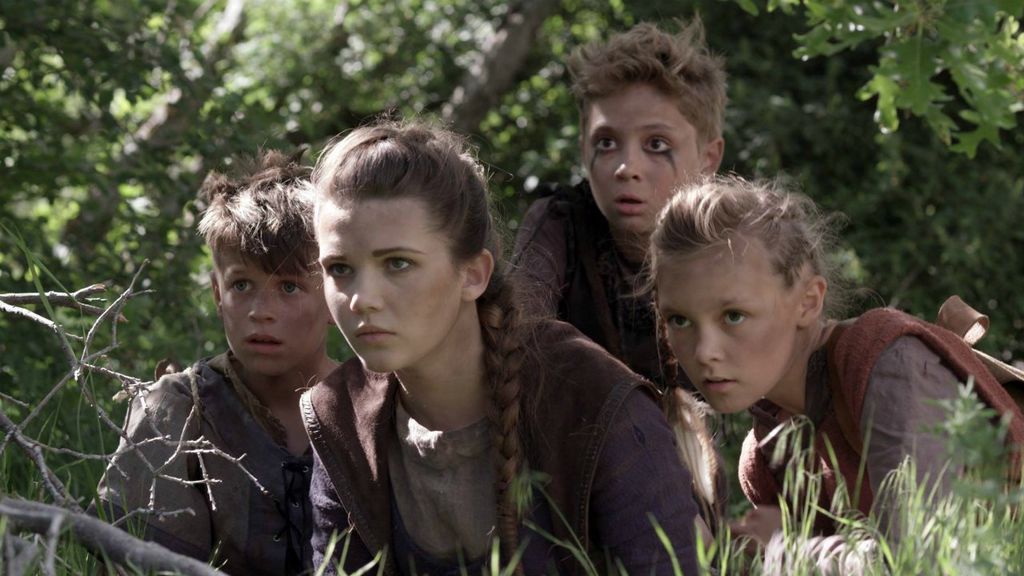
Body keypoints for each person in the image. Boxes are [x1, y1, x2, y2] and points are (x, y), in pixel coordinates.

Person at [303, 119, 720, 575]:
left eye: (397, 263)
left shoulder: (591, 401)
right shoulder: (339, 417)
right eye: (339, 269)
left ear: (473, 274)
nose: (362, 298)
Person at [648, 174, 1024, 550]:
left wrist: (783, 551)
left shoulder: (890, 367)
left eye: (733, 315)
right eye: (679, 320)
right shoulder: (766, 456)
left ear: (808, 301)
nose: (704, 352)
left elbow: (923, 558)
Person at [95, 150, 338, 575]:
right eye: (241, 284)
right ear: (216, 294)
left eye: (289, 287)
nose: (260, 311)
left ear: (336, 293)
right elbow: (136, 565)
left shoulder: (378, 404)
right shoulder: (178, 409)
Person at [512, 19, 726, 390]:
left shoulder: (733, 242)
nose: (627, 168)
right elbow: (518, 334)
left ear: (708, 159)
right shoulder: (560, 222)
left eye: (656, 145)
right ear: (584, 148)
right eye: (607, 143)